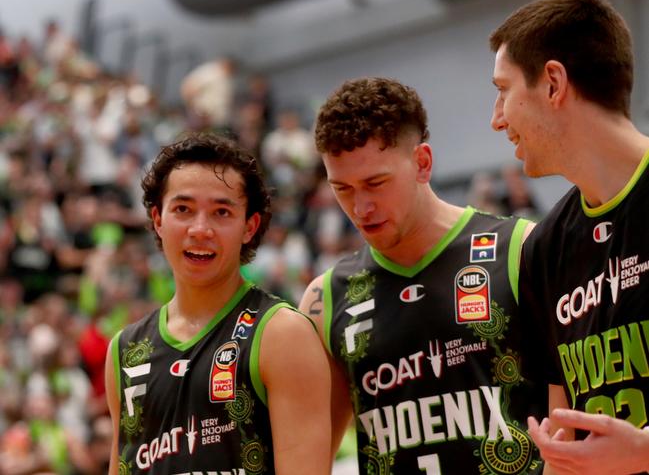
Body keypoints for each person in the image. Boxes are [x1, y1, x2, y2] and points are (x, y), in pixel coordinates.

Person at [299, 76, 546, 474]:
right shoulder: (324, 298)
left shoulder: (520, 248)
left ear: (423, 163)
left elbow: (574, 411)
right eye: (342, 189)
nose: (360, 208)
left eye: (375, 183)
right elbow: (307, 456)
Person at [489, 0, 649, 474]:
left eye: (503, 89)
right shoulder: (545, 246)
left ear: (553, 82)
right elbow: (565, 433)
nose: (497, 118)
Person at [105, 133, 331, 474]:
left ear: (249, 227)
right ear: (158, 220)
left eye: (221, 212)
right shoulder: (125, 351)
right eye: (183, 209)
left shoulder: (282, 333)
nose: (200, 229)